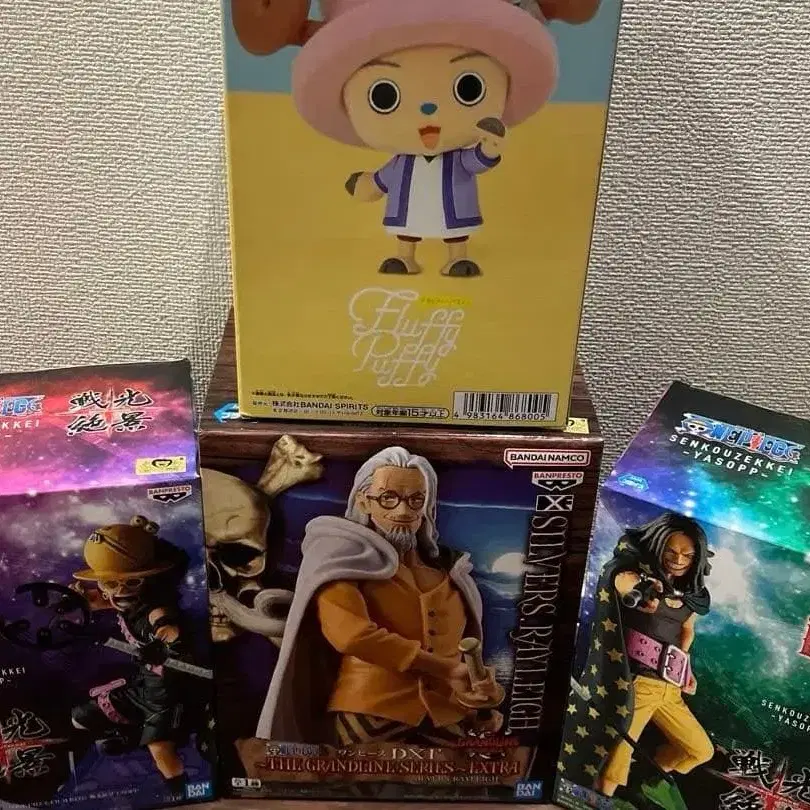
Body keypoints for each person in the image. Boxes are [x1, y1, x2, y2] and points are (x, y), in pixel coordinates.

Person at [231, 0, 601, 277]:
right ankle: (404, 257)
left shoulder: (453, 158)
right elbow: (386, 178)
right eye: (384, 95)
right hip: (411, 211)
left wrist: (489, 147)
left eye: (468, 87)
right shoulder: (403, 163)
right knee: (407, 229)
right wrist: (368, 184)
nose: (427, 109)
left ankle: (457, 258)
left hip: (454, 213)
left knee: (454, 231)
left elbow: (474, 161)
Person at [256, 446, 502, 746]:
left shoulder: (452, 575)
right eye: (388, 498)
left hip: (446, 719)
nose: (403, 511)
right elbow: (352, 636)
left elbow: (464, 655)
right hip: (370, 715)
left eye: (416, 500)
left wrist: (478, 703)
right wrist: (446, 669)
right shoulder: (342, 561)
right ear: (363, 500)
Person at [559, 513, 715, 799]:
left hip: (670, 688)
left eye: (687, 555)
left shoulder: (693, 595)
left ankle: (644, 780)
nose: (678, 560)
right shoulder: (635, 573)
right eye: (671, 551)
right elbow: (622, 580)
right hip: (638, 684)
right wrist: (639, 589)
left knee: (700, 751)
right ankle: (600, 799)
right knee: (617, 757)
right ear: (658, 546)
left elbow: (687, 630)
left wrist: (684, 667)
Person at [70, 516, 192, 797]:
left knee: (160, 749)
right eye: (110, 584)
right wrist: (76, 600)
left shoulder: (154, 606)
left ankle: (183, 793)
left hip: (166, 692)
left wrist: (163, 641)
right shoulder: (121, 600)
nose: (120, 592)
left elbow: (166, 625)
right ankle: (129, 736)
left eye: (131, 583)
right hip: (143, 685)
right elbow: (97, 601)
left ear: (147, 579)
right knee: (82, 716)